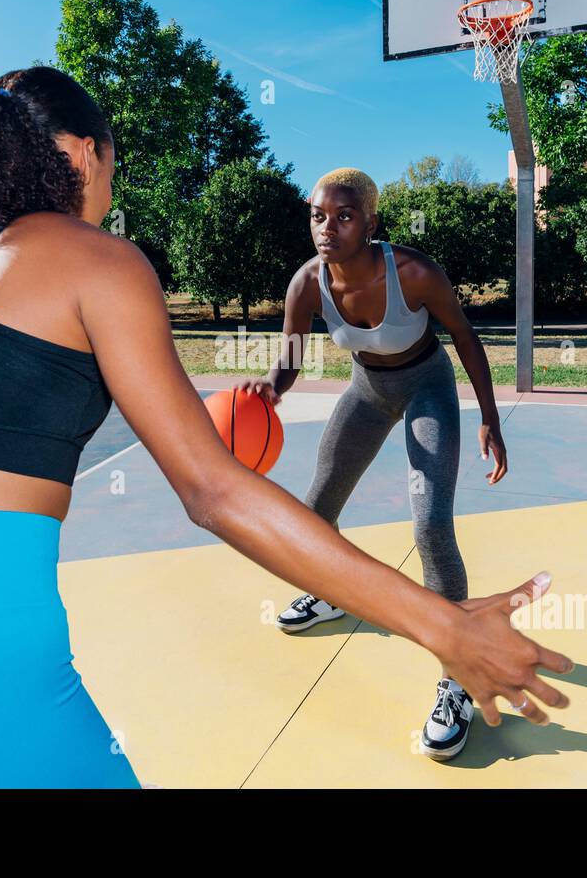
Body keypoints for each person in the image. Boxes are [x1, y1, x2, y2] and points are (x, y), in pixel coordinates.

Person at [0, 61, 571, 788]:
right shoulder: (95, 257)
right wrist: (445, 628)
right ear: (83, 155)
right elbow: (214, 491)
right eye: (112, 161)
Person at [235, 167, 509, 760]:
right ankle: (332, 594)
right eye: (317, 215)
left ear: (371, 222)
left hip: (425, 388)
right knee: (316, 512)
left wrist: (488, 416)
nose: (327, 227)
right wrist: (271, 388)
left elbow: (464, 336)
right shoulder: (307, 283)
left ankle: (457, 676)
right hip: (366, 389)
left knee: (431, 525)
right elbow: (290, 355)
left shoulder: (413, 272)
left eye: (344, 215)